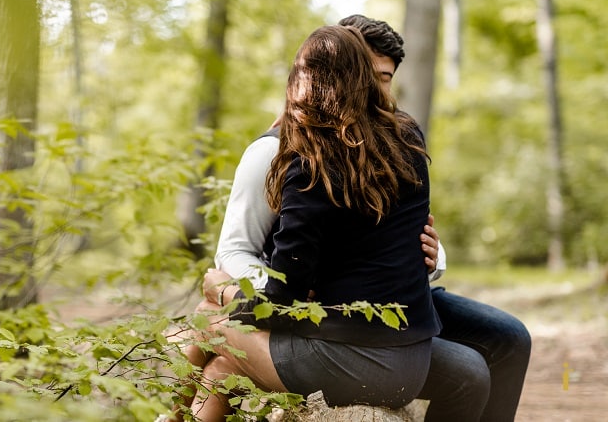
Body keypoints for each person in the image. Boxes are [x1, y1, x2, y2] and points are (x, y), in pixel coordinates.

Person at [203, 15, 531, 421]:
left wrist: (432, 256)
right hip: (316, 306)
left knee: (509, 338)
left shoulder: (394, 140)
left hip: (391, 305)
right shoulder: (277, 153)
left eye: (385, 78)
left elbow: (400, 230)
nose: (373, 91)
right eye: (364, 75)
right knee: (468, 371)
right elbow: (235, 251)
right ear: (336, 75)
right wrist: (259, 295)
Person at [187, 24, 442, 421]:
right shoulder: (406, 138)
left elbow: (281, 299)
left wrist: (224, 293)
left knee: (212, 323)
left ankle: (163, 413)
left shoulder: (311, 168)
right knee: (222, 369)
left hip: (355, 361)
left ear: (301, 84)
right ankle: (171, 417)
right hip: (413, 360)